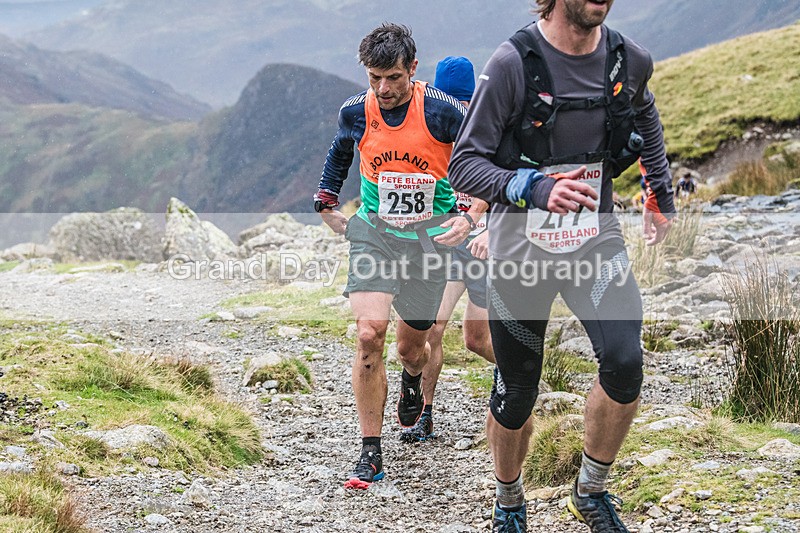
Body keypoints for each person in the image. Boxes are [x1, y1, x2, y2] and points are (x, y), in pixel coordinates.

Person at [448, 1, 676, 531]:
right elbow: (464, 162)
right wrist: (534, 187)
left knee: (624, 363)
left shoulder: (627, 59)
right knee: (517, 390)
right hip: (518, 254)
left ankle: (589, 492)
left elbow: (645, 114)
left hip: (594, 244)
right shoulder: (512, 64)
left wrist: (659, 192)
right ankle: (508, 500)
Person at [313, 23, 473, 490]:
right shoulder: (356, 111)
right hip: (375, 233)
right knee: (369, 334)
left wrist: (467, 211)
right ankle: (370, 451)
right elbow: (340, 154)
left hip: (430, 240)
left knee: (411, 345)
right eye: (374, 78)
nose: (383, 89)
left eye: (393, 78)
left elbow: (476, 159)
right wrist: (325, 199)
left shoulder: (444, 113)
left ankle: (410, 379)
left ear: (414, 70)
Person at [401, 56, 495, 443]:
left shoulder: (490, 134)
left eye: (465, 102)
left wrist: (490, 229)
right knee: (432, 329)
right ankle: (425, 411)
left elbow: (504, 187)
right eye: (450, 101)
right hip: (442, 245)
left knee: (476, 340)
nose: (458, 110)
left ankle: (516, 377)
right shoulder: (427, 133)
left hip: (484, 246)